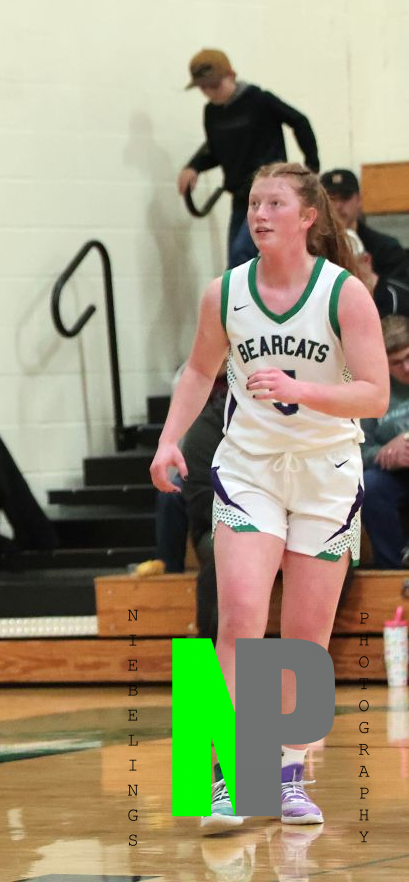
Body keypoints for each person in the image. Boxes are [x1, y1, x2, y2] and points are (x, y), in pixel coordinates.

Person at [150, 162, 387, 833]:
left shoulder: (343, 293)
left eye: (274, 203)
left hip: (326, 472)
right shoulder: (224, 292)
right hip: (249, 466)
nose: (259, 214)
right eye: (254, 203)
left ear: (308, 216)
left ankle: (287, 775)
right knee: (238, 618)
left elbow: (375, 394)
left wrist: (300, 388)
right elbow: (200, 370)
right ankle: (225, 774)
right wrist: (168, 441)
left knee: (306, 639)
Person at [176, 49, 319, 268]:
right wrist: (193, 167)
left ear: (231, 75)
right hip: (241, 196)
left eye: (215, 85)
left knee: (241, 253)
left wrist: (312, 165)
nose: (210, 92)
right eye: (203, 88)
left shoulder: (258, 100)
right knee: (236, 264)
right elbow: (216, 150)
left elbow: (299, 121)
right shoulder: (212, 113)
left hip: (269, 193)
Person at [360, 315, 409, 570]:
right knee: (369, 484)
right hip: (393, 473)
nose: (406, 368)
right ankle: (391, 568)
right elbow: (359, 449)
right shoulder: (374, 392)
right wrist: (385, 453)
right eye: (397, 362)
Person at [325, 168, 409, 284]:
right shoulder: (312, 249)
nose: (338, 205)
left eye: (345, 197)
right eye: (331, 198)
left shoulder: (387, 250)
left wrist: (374, 282)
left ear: (359, 200)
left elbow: (400, 291)